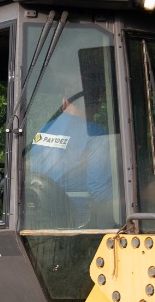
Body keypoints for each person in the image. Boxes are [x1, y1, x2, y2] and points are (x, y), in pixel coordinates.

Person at [28, 93, 115, 227]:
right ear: (97, 106)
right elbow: (99, 191)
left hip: (40, 222)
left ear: (64, 102)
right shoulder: (95, 134)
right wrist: (136, 199)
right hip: (79, 225)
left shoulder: (42, 131)